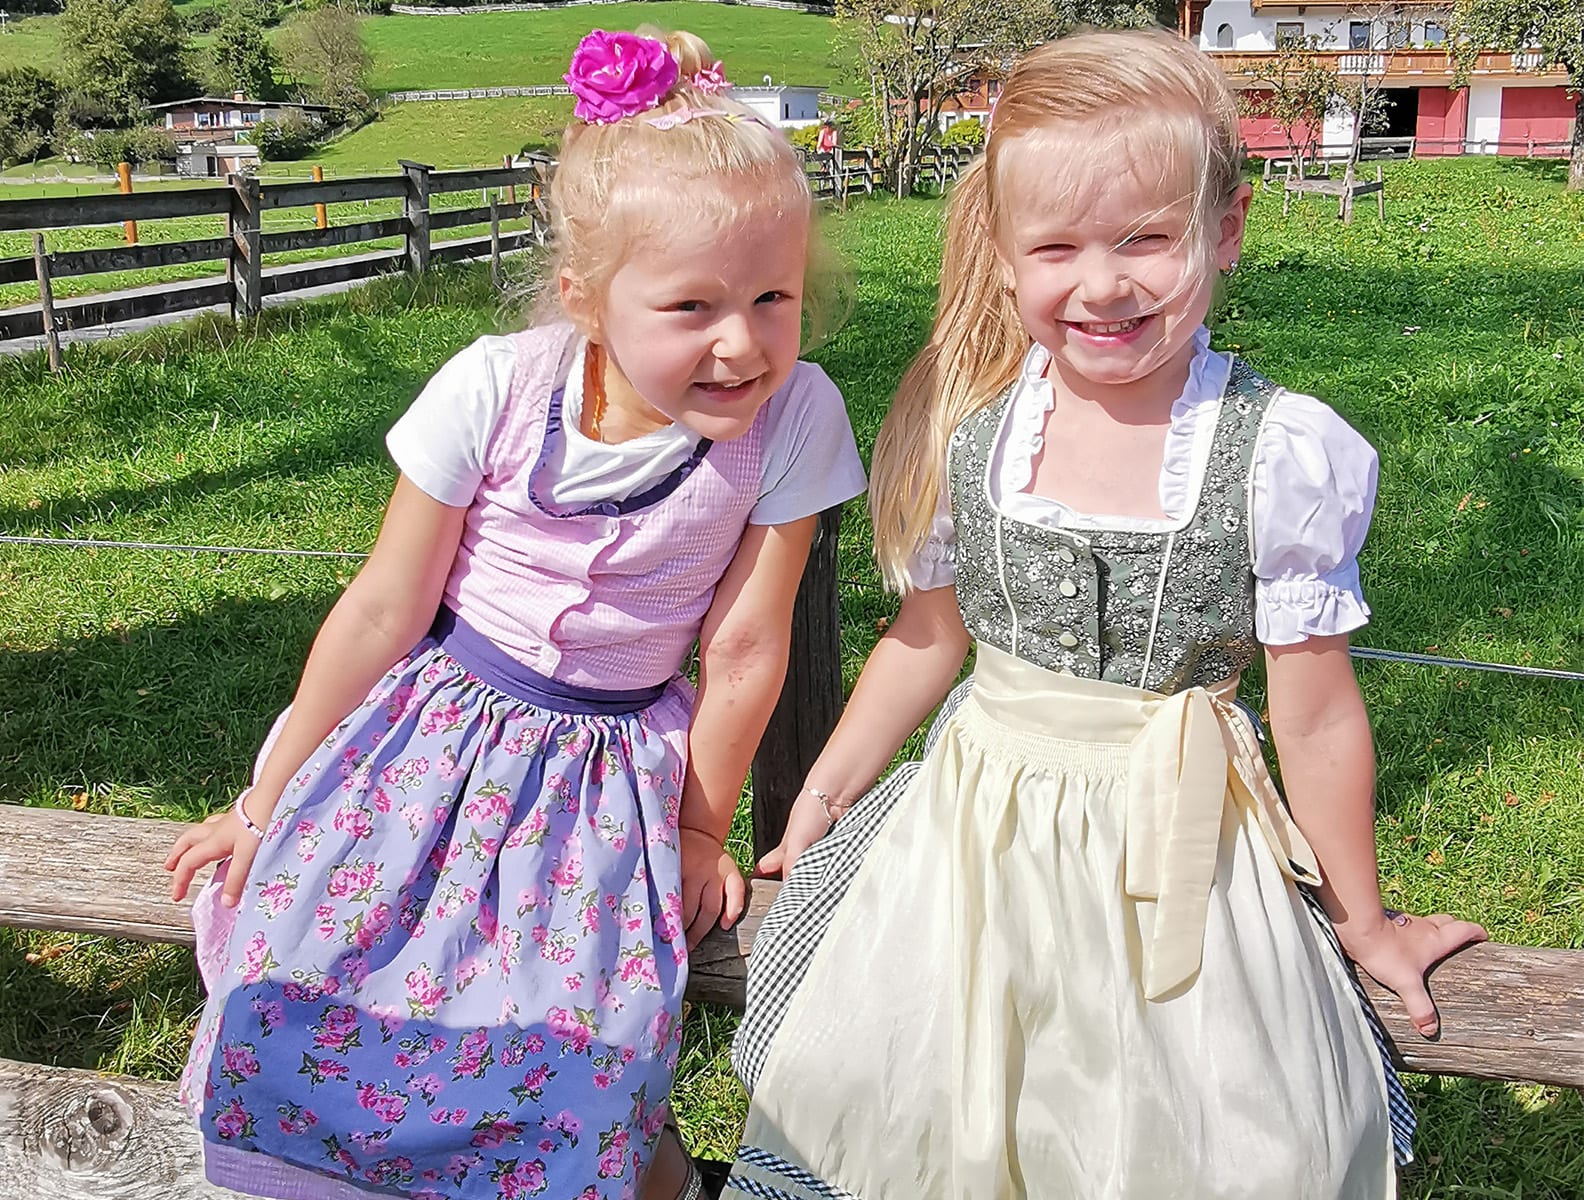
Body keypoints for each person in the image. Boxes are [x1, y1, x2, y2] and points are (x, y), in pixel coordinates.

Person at [721, 29, 1485, 1200]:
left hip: (1179, 849)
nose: (1102, 284)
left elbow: (1317, 713)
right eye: (1057, 248)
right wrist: (823, 800)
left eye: (1144, 239)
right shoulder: (971, 431)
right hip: (975, 841)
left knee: (1197, 1129)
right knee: (927, 1106)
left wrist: (1362, 919)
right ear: (1003, 255)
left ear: (1225, 229)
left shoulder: (1279, 452)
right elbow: (928, 637)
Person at [164, 26, 865, 1200]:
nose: (740, 342)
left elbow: (745, 649)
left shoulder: (795, 416)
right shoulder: (497, 384)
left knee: (582, 1033)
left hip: (609, 773)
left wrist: (699, 833)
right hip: (423, 744)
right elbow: (383, 608)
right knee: (314, 959)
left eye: (772, 297)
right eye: (690, 305)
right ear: (586, 299)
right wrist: (264, 797)